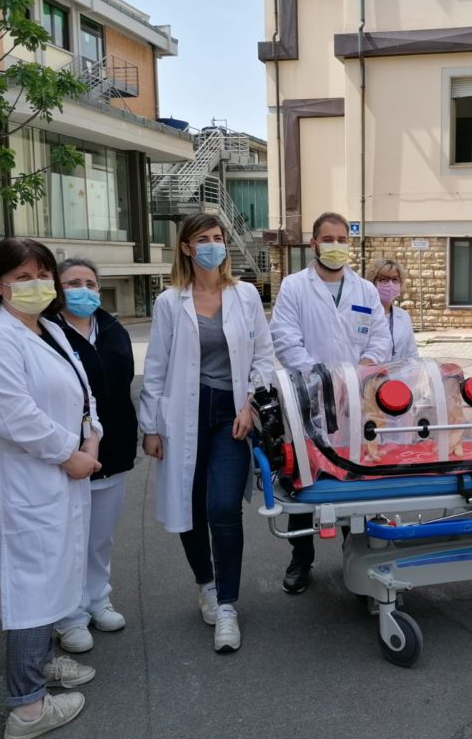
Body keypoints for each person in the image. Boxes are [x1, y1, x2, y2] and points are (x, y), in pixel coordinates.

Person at [0, 238, 101, 739]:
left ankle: (40, 664)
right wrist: (69, 453)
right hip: (25, 482)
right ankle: (28, 709)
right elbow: (13, 414)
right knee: (30, 588)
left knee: (55, 576)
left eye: (42, 274)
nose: (36, 284)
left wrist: (92, 434)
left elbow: (82, 390)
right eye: (22, 277)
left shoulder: (48, 328)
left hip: (61, 476)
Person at [139, 213, 274, 653]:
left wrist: (250, 404)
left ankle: (228, 607)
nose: (214, 245)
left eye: (218, 237)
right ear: (186, 248)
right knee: (190, 505)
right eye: (204, 239)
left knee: (223, 507)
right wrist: (150, 427)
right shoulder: (170, 302)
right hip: (184, 413)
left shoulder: (245, 295)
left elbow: (264, 356)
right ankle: (208, 586)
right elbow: (156, 366)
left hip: (231, 415)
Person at [269, 211, 391, 594]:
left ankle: (357, 557)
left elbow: (380, 339)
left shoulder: (365, 291)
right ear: (314, 244)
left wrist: (362, 370)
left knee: (355, 476)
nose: (336, 246)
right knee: (305, 479)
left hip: (357, 401)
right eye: (328, 239)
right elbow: (285, 339)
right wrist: (323, 379)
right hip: (308, 400)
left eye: (342, 239)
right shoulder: (294, 287)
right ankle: (301, 558)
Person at [48, 258, 138, 654]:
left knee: (100, 536)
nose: (82, 290)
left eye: (90, 283)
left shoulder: (113, 329)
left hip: (113, 446)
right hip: (68, 450)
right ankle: (69, 616)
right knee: (70, 537)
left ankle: (98, 599)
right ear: (57, 289)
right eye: (72, 283)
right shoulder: (47, 332)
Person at [365, 257, 419, 360]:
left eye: (395, 279)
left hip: (399, 370)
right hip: (370, 369)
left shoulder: (403, 316)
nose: (390, 284)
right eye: (384, 279)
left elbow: (412, 354)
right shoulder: (363, 314)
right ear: (372, 282)